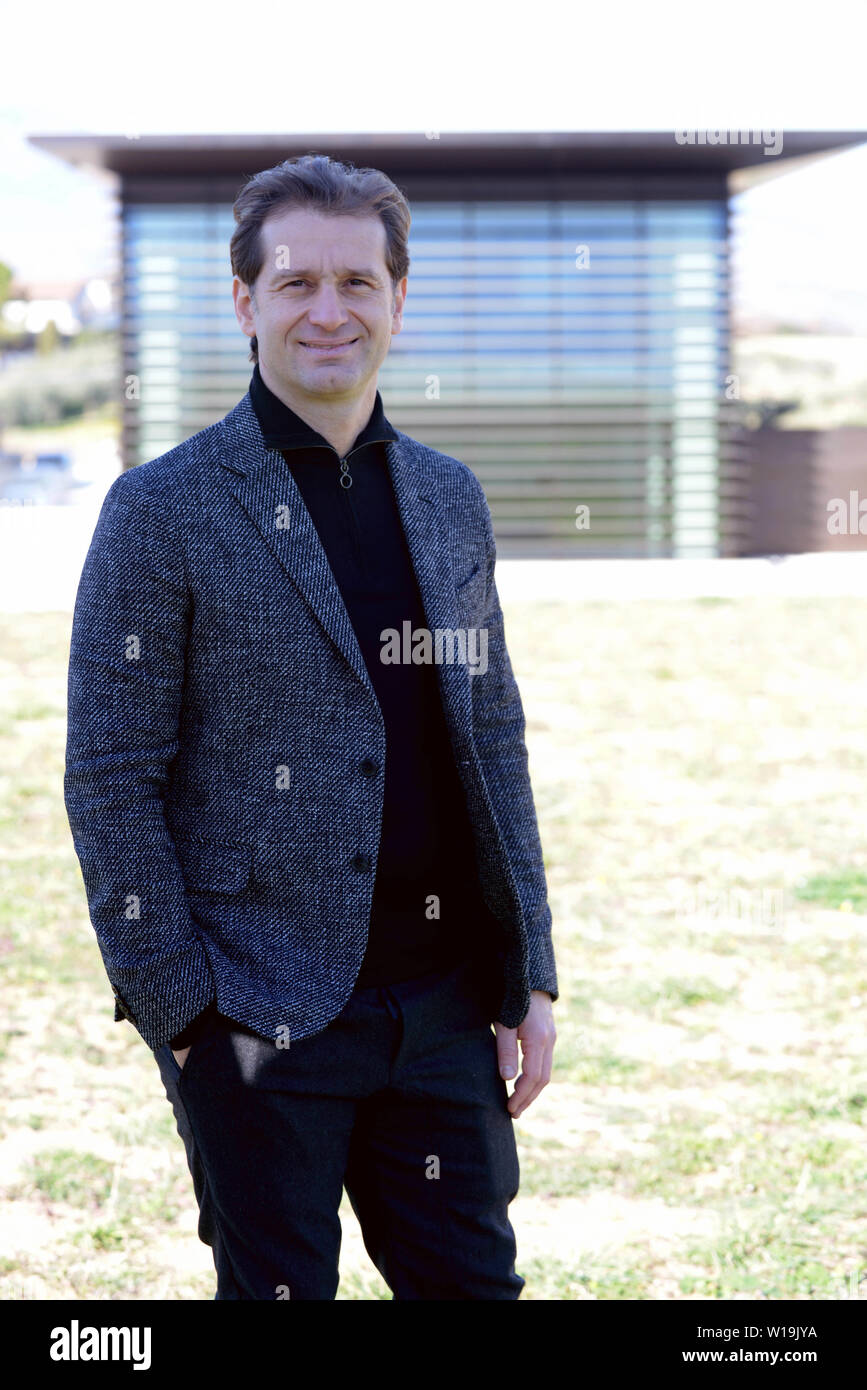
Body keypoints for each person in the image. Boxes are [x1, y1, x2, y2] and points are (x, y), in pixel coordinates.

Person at [64, 153, 557, 1300]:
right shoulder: (161, 510)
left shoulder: (449, 497)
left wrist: (530, 967)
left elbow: (491, 735)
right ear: (245, 303)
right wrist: (181, 1009)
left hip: (441, 1008)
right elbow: (109, 774)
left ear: (398, 299)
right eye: (294, 284)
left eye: (356, 282)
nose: (327, 310)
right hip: (252, 1014)